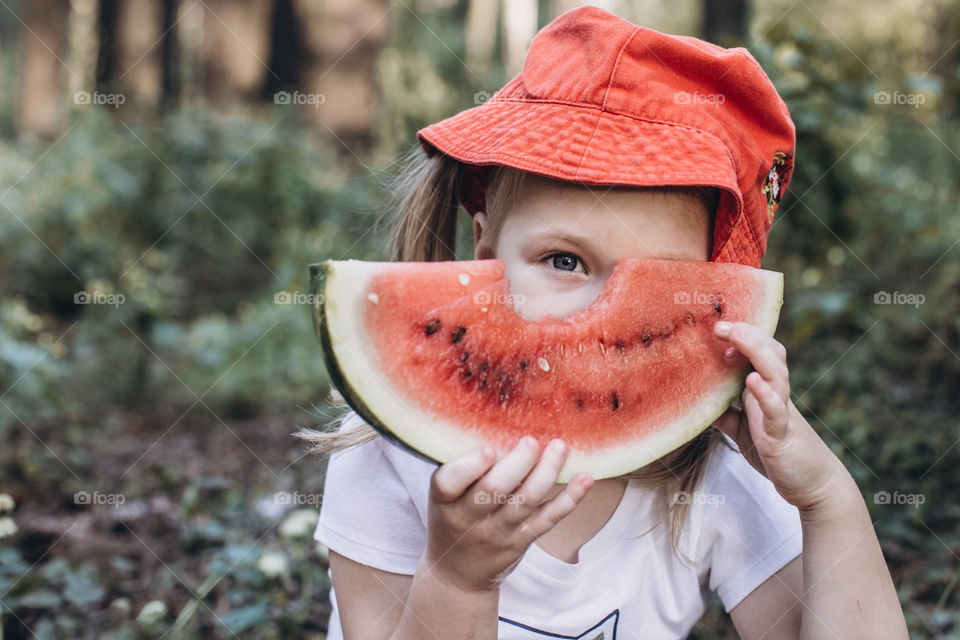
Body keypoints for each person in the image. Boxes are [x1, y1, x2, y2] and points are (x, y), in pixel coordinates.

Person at [300, 6, 908, 639]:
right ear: (484, 255)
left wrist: (827, 499)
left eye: (657, 288)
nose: (598, 313)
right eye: (563, 260)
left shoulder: (712, 477)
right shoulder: (384, 459)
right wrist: (456, 580)